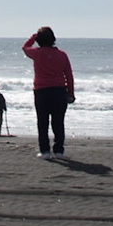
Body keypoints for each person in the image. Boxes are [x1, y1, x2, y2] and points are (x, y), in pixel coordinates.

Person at [21, 27, 75, 160]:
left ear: (39, 40)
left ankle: (45, 151)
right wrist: (70, 92)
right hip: (59, 91)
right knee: (58, 122)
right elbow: (69, 75)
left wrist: (33, 36)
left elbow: (25, 47)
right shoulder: (62, 55)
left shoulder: (37, 53)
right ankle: (59, 151)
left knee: (42, 122)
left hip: (42, 91)